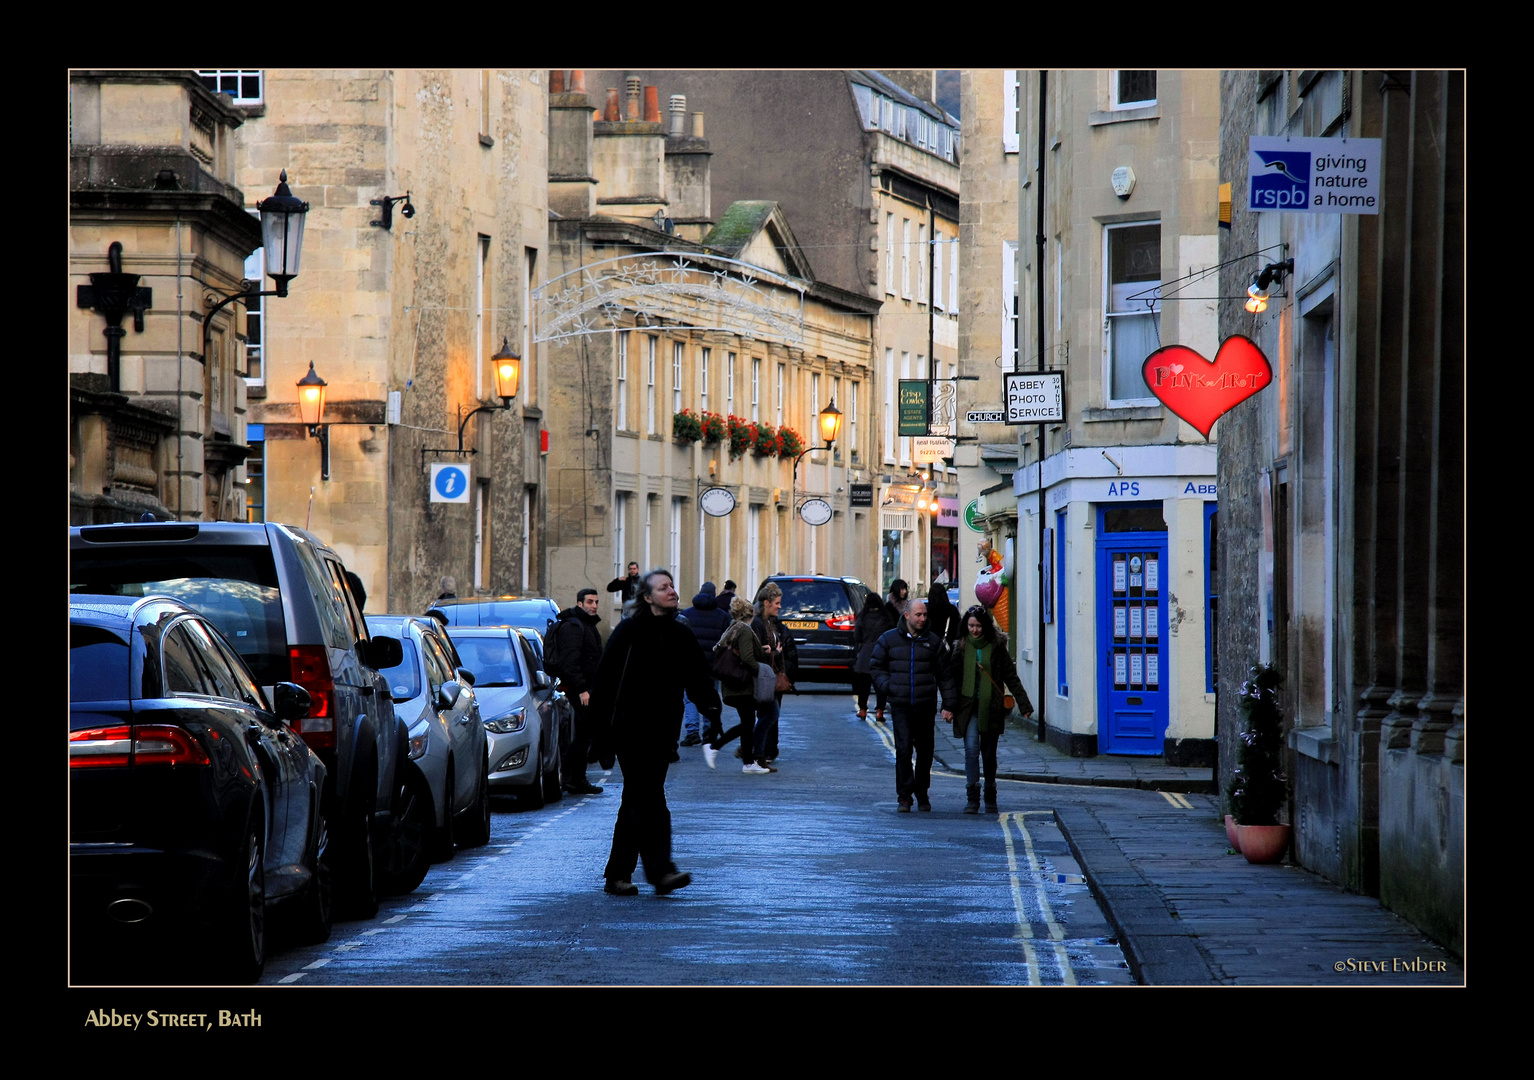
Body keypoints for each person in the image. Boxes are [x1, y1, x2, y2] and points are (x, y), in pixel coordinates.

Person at [588, 568, 722, 896]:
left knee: (637, 798)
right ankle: (660, 871)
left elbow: (699, 678)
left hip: (663, 733)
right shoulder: (629, 631)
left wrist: (713, 713)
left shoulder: (680, 633)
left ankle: (618, 874)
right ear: (647, 597)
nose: (672, 591)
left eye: (672, 585)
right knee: (649, 797)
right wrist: (599, 734)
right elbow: (604, 683)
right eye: (663, 588)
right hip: (629, 731)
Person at [870, 596, 957, 812]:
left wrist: (949, 704)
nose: (922, 618)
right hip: (900, 705)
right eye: (918, 614)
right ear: (906, 615)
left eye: (925, 614)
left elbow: (945, 675)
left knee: (926, 752)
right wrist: (887, 686)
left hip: (925, 705)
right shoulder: (888, 639)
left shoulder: (933, 642)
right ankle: (904, 796)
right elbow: (876, 666)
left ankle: (922, 793)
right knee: (903, 749)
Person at [954, 605, 1033, 814]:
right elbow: (952, 680)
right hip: (967, 707)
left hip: (991, 707)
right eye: (971, 625)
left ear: (986, 626)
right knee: (971, 750)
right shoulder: (960, 647)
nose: (974, 630)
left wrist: (1024, 704)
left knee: (988, 754)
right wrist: (948, 706)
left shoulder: (997, 647)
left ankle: (990, 792)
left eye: (978, 626)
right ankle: (972, 796)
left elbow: (1011, 677)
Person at [549, 588, 606, 795]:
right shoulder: (574, 627)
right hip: (577, 692)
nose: (594, 606)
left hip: (585, 690)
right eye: (590, 602)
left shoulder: (586, 625)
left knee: (583, 736)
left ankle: (577, 779)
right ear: (580, 603)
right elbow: (570, 662)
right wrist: (582, 688)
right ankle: (572, 779)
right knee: (577, 737)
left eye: (596, 602)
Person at [701, 597, 763, 772]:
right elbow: (747, 657)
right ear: (751, 613)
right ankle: (714, 747)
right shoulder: (744, 630)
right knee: (748, 723)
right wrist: (762, 669)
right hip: (741, 684)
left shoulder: (733, 627)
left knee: (748, 722)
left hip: (734, 683)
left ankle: (749, 763)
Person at [678, 581, 731, 746]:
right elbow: (727, 642)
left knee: (690, 698)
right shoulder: (723, 616)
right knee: (710, 697)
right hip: (713, 666)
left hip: (691, 665)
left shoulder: (686, 614)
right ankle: (709, 732)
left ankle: (692, 731)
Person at [749, 582, 793, 768]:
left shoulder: (768, 622)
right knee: (769, 715)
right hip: (763, 679)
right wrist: (774, 652)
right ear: (766, 603)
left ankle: (758, 752)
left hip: (770, 678)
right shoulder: (758, 624)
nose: (780, 606)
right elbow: (756, 652)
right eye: (777, 603)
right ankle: (755, 752)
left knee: (769, 715)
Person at [852, 591, 894, 721]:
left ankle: (863, 710)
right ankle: (880, 711)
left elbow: (857, 636)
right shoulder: (886, 617)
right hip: (881, 653)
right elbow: (892, 633)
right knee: (880, 685)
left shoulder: (862, 617)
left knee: (864, 685)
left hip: (865, 654)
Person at [926, 582, 965, 652]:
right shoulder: (952, 610)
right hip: (948, 647)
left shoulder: (927, 611)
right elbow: (959, 630)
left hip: (930, 647)